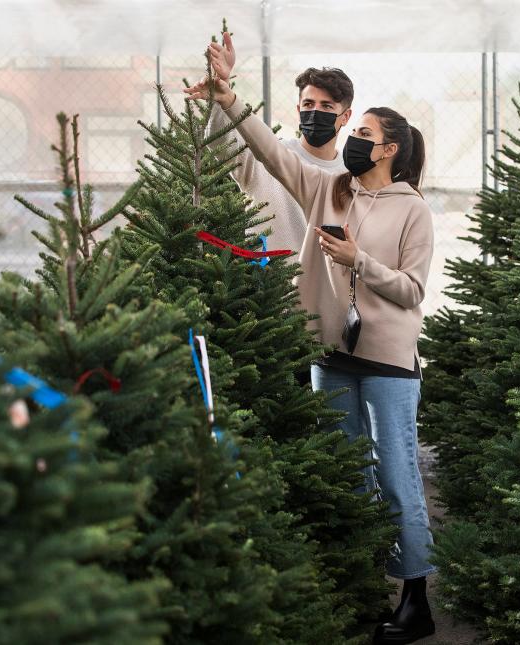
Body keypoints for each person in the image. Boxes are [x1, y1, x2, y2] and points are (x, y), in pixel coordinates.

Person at [187, 34, 437, 645]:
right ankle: (357, 583)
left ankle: (416, 598)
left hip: (386, 362)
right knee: (345, 472)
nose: (353, 142)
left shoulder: (413, 210)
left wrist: (358, 262)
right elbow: (271, 153)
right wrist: (226, 94)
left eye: (365, 134)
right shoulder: (330, 190)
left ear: (389, 148)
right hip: (330, 357)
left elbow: (410, 292)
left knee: (398, 473)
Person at [206, 31, 353, 254]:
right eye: (309, 103)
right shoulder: (267, 156)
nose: (315, 112)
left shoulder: (350, 174)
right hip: (269, 286)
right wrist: (221, 92)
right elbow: (220, 142)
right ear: (298, 109)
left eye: (327, 106)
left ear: (346, 116)